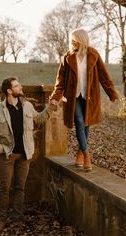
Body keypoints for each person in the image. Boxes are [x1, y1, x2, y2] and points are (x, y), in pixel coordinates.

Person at [0, 76, 54, 232]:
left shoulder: (27, 106)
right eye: (17, 86)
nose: (20, 87)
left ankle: (17, 219)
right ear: (9, 90)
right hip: (7, 155)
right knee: (4, 188)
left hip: (25, 154)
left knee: (20, 187)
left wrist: (52, 106)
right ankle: (2, 219)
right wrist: (0, 148)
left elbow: (40, 120)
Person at [50, 29, 118, 171]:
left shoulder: (93, 55)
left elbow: (104, 76)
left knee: (86, 124)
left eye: (75, 40)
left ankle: (80, 152)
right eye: (71, 40)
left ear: (81, 40)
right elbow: (60, 80)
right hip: (73, 98)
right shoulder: (67, 58)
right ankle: (87, 155)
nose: (72, 42)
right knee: (80, 122)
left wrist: (112, 94)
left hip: (90, 97)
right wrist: (56, 96)